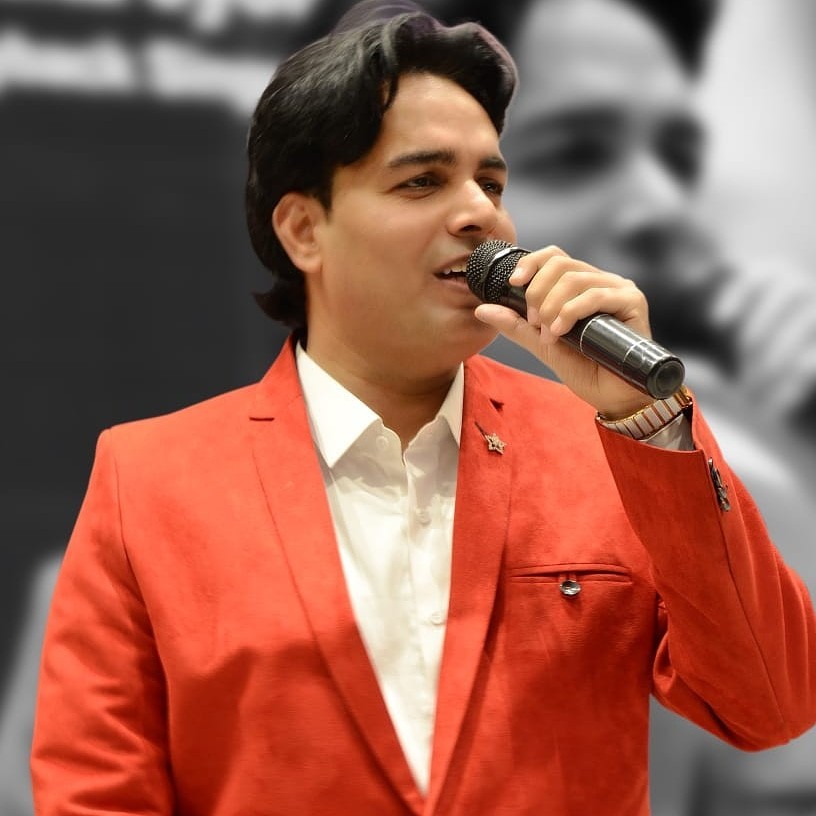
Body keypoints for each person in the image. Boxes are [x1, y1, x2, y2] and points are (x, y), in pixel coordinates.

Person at [31, 2, 816, 814]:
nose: (482, 214)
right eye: (423, 181)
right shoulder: (148, 480)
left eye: (492, 183)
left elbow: (772, 705)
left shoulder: (614, 449)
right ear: (304, 230)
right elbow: (96, 792)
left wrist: (651, 428)